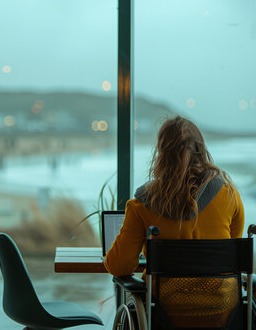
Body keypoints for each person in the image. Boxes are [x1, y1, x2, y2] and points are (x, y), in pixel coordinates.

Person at [103, 116, 244, 326]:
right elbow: (233, 242)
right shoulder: (229, 194)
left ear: (161, 154)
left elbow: (119, 266)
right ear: (200, 149)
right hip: (222, 310)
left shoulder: (140, 206)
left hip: (163, 314)